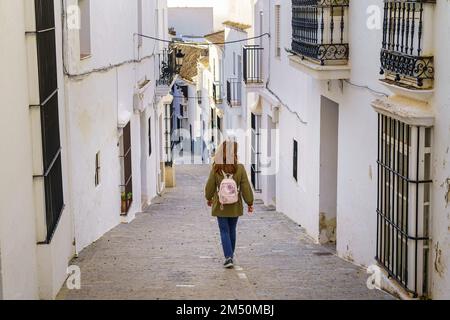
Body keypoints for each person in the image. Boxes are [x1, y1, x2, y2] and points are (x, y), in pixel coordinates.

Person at [205, 140, 254, 269]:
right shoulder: (240, 168)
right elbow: (245, 187)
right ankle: (230, 256)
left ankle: (228, 257)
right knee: (232, 229)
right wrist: (249, 202)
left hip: (221, 205)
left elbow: (210, 185)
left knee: (224, 230)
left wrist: (208, 198)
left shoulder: (216, 167)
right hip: (235, 205)